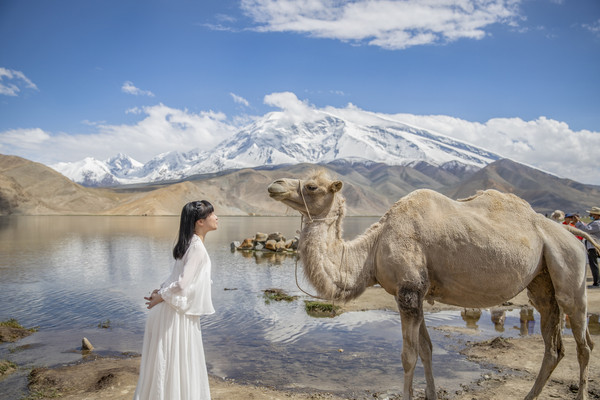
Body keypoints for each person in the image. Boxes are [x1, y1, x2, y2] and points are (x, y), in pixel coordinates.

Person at [133, 200, 218, 400]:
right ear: (200, 222)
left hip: (170, 311)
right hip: (175, 314)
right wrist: (160, 296)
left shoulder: (189, 243)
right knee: (177, 362)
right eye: (212, 214)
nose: (216, 218)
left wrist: (160, 292)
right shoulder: (196, 247)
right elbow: (181, 284)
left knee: (166, 363)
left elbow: (175, 278)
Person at [575, 207, 600, 288]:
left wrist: (578, 222)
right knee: (594, 264)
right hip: (594, 246)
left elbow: (586, 230)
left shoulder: (597, 223)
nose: (590, 215)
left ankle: (597, 283)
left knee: (594, 264)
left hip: (594, 247)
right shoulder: (596, 222)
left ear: (597, 215)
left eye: (592, 214)